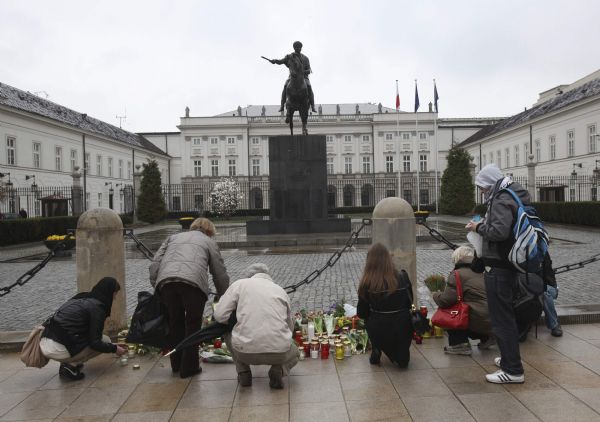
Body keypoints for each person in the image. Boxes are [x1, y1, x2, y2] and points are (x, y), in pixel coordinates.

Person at [466, 163, 528, 384]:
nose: (482, 192)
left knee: (502, 319)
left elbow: (499, 232)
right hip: (509, 264)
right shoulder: (513, 193)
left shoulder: (501, 198)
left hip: (499, 266)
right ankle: (509, 359)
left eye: (483, 188)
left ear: (491, 184)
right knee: (506, 315)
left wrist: (478, 228)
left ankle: (513, 370)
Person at [150, 217, 230, 378]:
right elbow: (219, 272)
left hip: (167, 283)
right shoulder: (209, 242)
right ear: (210, 231)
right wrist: (225, 295)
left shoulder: (173, 237)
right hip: (193, 285)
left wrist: (157, 285)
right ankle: (189, 367)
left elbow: (155, 263)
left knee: (175, 322)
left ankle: (176, 364)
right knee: (193, 325)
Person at [213, 263, 298, 389]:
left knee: (226, 332)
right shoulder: (280, 290)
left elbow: (219, 316)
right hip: (278, 352)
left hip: (244, 352)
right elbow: (289, 328)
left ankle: (243, 372)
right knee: (295, 353)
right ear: (267, 276)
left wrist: (235, 322)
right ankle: (279, 370)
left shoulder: (239, 285)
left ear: (249, 276)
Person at [40, 277, 126, 380]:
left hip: (45, 339)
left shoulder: (81, 297)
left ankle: (67, 362)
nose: (115, 298)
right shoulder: (97, 308)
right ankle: (70, 366)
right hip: (56, 347)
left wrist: (112, 346)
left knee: (99, 340)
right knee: (105, 340)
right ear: (109, 292)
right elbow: (95, 342)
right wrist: (114, 349)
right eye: (114, 294)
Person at [356, 243, 413, 368]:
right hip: (402, 327)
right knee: (403, 362)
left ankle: (377, 347)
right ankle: (401, 351)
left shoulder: (366, 283)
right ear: (388, 258)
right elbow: (409, 303)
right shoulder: (403, 276)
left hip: (379, 329)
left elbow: (361, 313)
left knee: (369, 319)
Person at [432, 246, 494, 355]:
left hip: (479, 320)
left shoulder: (458, 274)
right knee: (477, 306)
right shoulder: (484, 270)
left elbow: (445, 300)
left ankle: (459, 344)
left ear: (457, 258)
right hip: (495, 319)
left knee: (451, 312)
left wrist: (435, 294)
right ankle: (486, 337)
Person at [270, 41, 316, 113]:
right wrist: (274, 61)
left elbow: (308, 71)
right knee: (285, 86)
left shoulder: (305, 58)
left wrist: (301, 73)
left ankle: (313, 106)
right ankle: (282, 105)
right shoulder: (289, 57)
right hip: (292, 77)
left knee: (309, 87)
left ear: (301, 48)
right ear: (294, 48)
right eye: (296, 47)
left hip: (304, 78)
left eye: (299, 47)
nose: (298, 49)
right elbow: (280, 61)